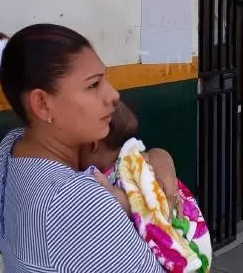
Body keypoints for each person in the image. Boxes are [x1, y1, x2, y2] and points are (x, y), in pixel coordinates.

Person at [0, 26, 165, 273]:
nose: (113, 94)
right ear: (42, 104)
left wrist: (156, 159)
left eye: (104, 78)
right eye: (93, 85)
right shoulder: (76, 202)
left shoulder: (10, 149)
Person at [80, 100, 213, 273]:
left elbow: (136, 204)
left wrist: (110, 191)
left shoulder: (126, 169)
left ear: (92, 145)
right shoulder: (136, 158)